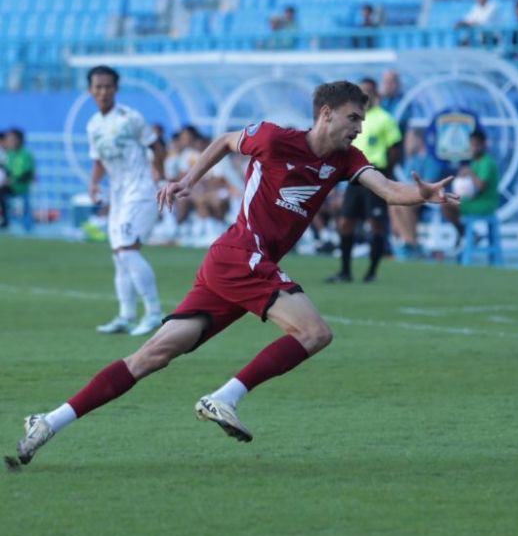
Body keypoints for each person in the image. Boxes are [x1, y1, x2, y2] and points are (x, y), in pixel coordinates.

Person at [9, 81, 457, 468]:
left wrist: (421, 195)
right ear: (326, 114)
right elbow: (225, 141)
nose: (359, 126)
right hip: (242, 254)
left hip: (236, 263)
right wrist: (187, 181)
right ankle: (223, 397)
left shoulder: (344, 159)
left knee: (151, 357)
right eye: (354, 117)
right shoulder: (276, 138)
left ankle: (48, 421)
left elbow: (387, 190)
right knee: (315, 332)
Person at [86, 66, 166, 338]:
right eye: (98, 87)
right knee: (119, 256)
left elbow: (156, 146)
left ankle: (154, 312)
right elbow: (98, 160)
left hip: (141, 189)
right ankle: (126, 315)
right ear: (90, 90)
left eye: (108, 86)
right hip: (118, 195)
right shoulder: (93, 124)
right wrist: (94, 182)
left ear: (116, 89)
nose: (103, 91)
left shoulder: (130, 117)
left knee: (128, 250)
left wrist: (159, 171)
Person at [327, 78, 403, 283]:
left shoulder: (385, 119)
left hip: (374, 173)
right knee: (346, 223)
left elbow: (395, 149)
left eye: (367, 91)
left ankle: (372, 272)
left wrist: (385, 175)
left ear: (375, 93)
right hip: (354, 176)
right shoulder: (352, 118)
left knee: (376, 223)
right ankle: (345, 271)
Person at [390, 126, 443, 258]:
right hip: (411, 195)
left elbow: (429, 185)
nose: (407, 143)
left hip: (428, 198)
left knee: (402, 204)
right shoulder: (412, 160)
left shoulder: (431, 160)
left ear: (419, 140)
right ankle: (410, 243)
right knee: (393, 204)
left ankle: (410, 244)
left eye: (410, 139)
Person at [442, 128, 499, 244]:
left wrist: (470, 173)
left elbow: (481, 186)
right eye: (471, 145)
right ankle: (468, 234)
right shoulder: (475, 162)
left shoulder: (486, 162)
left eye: (476, 145)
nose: (473, 148)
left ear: (483, 145)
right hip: (474, 200)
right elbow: (470, 187)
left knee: (447, 205)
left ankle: (466, 234)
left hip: (485, 203)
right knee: (445, 201)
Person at [1, 128, 35, 233]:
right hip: (10, 187)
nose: (9, 142)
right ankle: (6, 221)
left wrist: (14, 181)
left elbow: (28, 175)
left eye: (12, 139)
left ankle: (27, 227)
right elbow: (7, 170)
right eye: (8, 139)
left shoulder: (26, 155)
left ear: (19, 140)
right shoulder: (9, 155)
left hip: (22, 187)